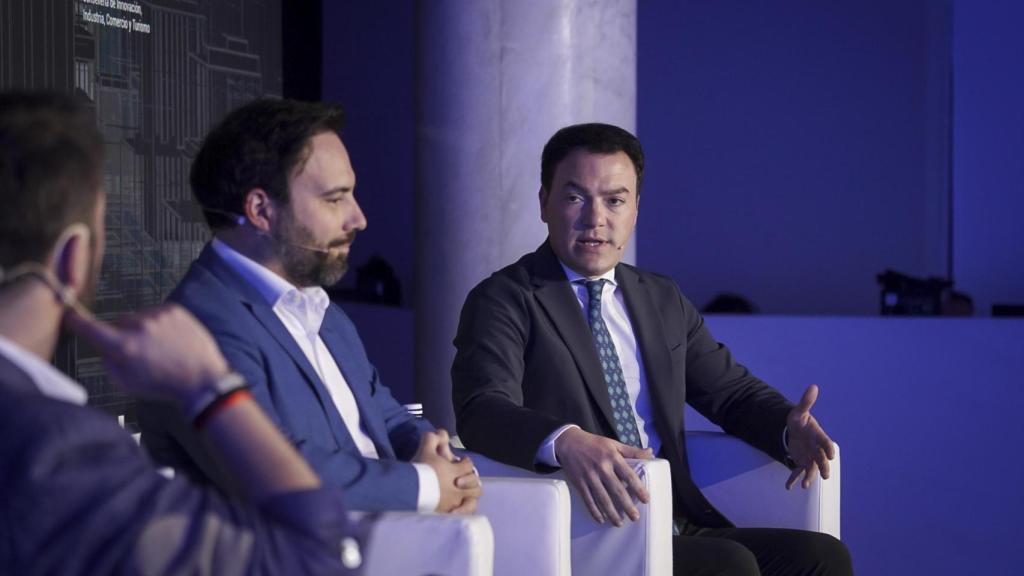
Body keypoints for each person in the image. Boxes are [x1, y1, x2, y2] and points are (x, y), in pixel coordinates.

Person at [452, 123, 853, 575]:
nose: (595, 219)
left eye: (614, 200)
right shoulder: (505, 297)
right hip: (588, 525)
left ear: (636, 208)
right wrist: (566, 441)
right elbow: (482, 408)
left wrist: (786, 430)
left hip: (674, 517)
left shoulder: (660, 298)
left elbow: (731, 394)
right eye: (575, 197)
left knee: (821, 558)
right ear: (544, 202)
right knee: (730, 565)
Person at [0, 92, 362, 575]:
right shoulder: (54, 450)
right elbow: (315, 560)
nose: (357, 218)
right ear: (73, 258)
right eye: (336, 198)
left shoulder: (329, 316)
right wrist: (211, 389)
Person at [138, 98, 481, 514]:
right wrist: (425, 485)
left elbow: (385, 416)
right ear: (261, 210)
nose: (359, 219)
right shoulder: (198, 326)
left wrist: (441, 459)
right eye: (336, 199)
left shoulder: (322, 311)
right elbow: (274, 467)